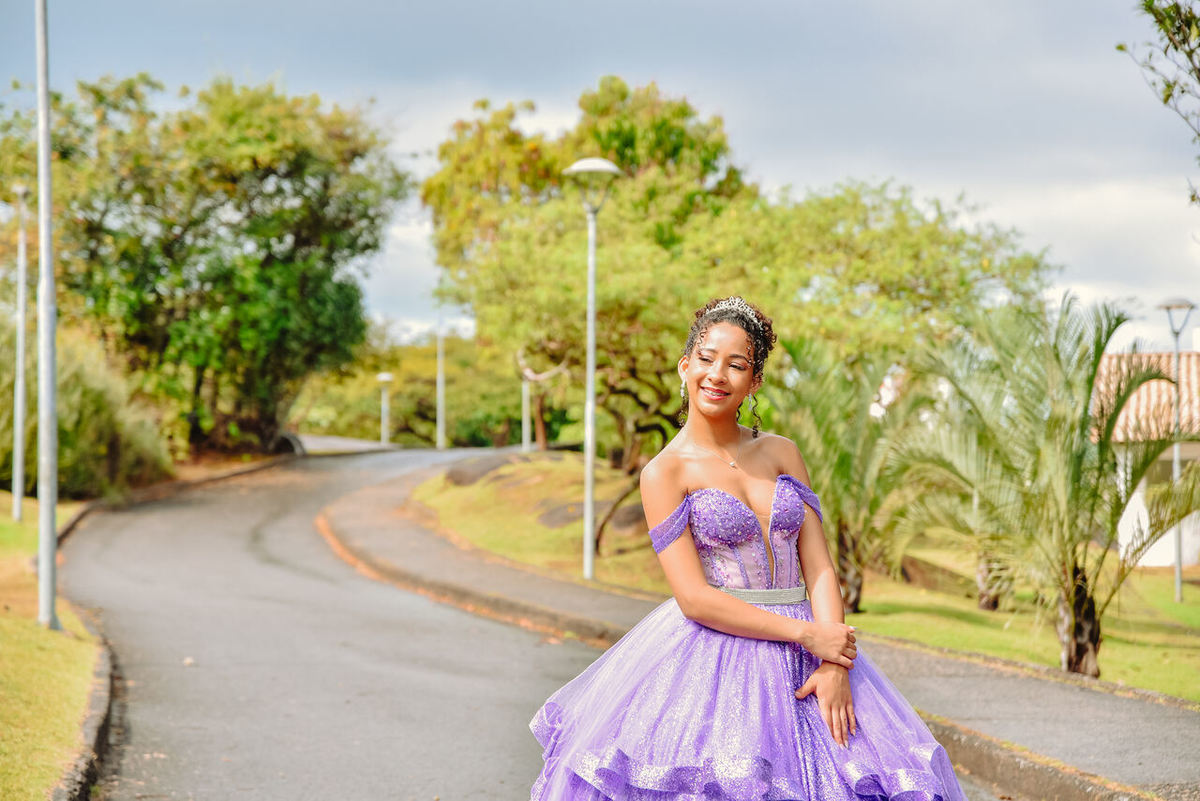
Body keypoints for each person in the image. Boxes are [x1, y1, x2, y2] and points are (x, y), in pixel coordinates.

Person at [530, 296, 967, 800]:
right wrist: (809, 635)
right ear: (685, 366)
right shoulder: (663, 473)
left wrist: (834, 663)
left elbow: (820, 568)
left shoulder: (782, 452)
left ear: (754, 381)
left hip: (815, 652)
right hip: (718, 656)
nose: (717, 374)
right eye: (707, 358)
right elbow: (694, 598)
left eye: (736, 365)